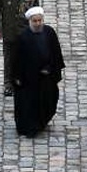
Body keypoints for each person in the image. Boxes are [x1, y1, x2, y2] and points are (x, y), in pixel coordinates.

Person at [13, 7, 65, 138]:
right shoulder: (23, 37)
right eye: (35, 21)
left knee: (48, 100)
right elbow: (17, 59)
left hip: (46, 77)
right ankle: (31, 128)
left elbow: (55, 52)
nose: (37, 23)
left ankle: (42, 121)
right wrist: (17, 76)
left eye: (39, 20)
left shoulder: (49, 32)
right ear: (30, 21)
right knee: (29, 104)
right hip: (30, 78)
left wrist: (50, 68)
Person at [0, 0, 40, 97]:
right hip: (10, 30)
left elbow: (36, 9)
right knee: (9, 58)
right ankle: (8, 84)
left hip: (26, 31)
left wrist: (37, 27)